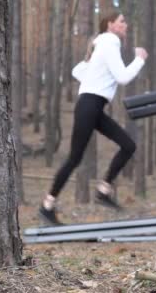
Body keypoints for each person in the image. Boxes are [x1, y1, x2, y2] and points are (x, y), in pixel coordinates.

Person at [39, 12, 149, 225]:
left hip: (93, 106)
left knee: (128, 145)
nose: (126, 25)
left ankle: (103, 191)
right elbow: (123, 77)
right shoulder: (110, 42)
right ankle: (47, 206)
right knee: (74, 158)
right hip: (89, 105)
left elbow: (77, 71)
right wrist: (139, 59)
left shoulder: (102, 45)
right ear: (111, 25)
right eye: (122, 21)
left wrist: (92, 70)